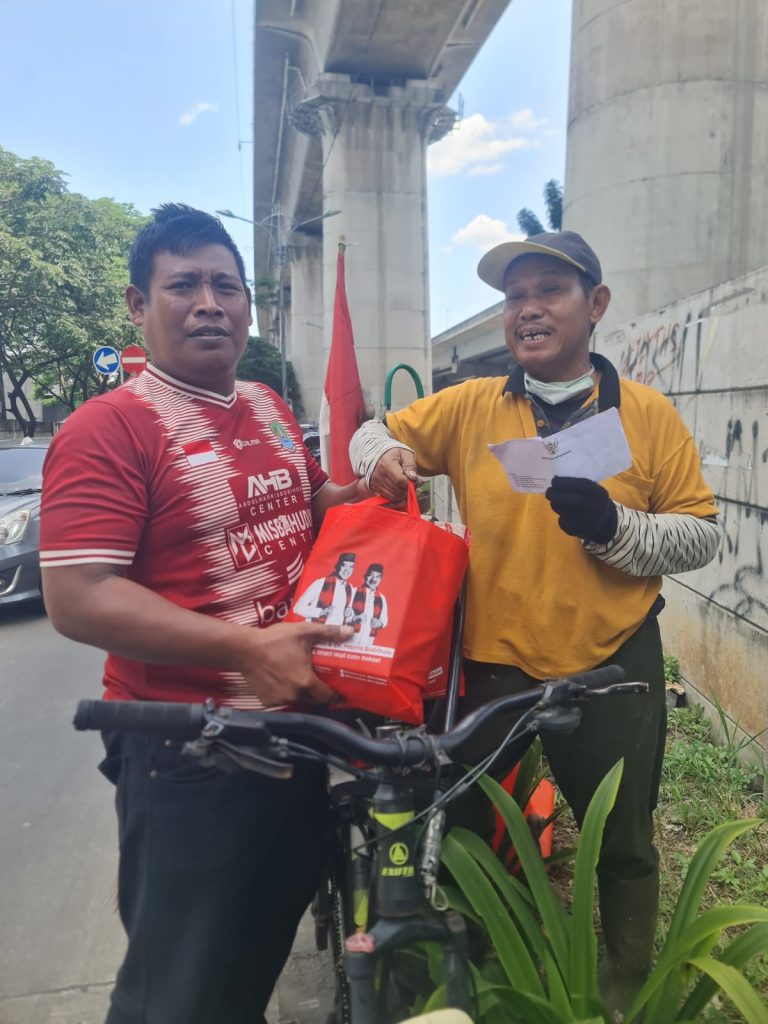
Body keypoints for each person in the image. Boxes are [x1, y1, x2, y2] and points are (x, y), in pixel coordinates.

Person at [349, 230, 719, 1016]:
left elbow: (700, 534)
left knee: (622, 840)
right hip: (494, 663)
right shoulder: (471, 406)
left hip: (613, 662)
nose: (527, 309)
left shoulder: (646, 416)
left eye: (548, 290)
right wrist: (378, 455)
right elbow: (370, 429)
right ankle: (485, 976)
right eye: (515, 296)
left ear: (596, 305)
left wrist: (614, 525)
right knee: (475, 830)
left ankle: (623, 992)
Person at [40, 204, 368, 1024]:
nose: (209, 302)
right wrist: (242, 648)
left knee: (258, 946)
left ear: (250, 307)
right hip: (186, 749)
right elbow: (77, 595)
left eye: (226, 285)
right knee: (175, 988)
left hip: (296, 728)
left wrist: (365, 497)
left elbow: (307, 505)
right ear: (136, 305)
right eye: (182, 284)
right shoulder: (106, 429)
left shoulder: (263, 403)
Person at [293, 551, 356, 624]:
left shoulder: (349, 588)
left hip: (336, 634)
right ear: (337, 566)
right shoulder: (320, 583)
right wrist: (321, 612)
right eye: (344, 565)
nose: (347, 570)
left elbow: (346, 617)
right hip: (316, 632)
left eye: (351, 566)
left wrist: (350, 614)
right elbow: (298, 608)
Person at [347, 562, 388, 645]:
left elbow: (384, 619)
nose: (373, 579)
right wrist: (354, 618)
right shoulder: (353, 591)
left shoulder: (381, 598)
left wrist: (380, 623)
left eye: (377, 576)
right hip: (349, 638)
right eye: (371, 575)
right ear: (365, 576)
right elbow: (343, 613)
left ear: (380, 579)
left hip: (368, 641)